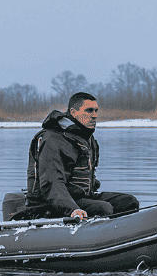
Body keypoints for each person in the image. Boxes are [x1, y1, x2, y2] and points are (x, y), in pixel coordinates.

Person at [23, 92, 139, 220]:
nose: (94, 115)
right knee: (103, 209)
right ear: (73, 112)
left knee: (129, 202)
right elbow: (51, 182)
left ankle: (126, 236)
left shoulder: (87, 139)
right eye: (89, 111)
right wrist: (72, 209)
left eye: (96, 111)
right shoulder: (51, 139)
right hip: (47, 204)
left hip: (80, 198)